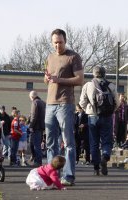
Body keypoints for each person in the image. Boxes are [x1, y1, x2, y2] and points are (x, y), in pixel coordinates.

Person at [44, 29, 83, 186]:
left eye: (60, 42)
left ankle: (68, 176)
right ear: (52, 42)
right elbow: (47, 79)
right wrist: (47, 78)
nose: (57, 45)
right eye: (55, 42)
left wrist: (58, 79)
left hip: (65, 103)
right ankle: (51, 175)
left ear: (65, 41)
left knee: (68, 142)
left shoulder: (73, 57)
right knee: (50, 143)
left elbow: (80, 79)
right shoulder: (50, 57)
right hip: (49, 103)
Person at [79, 66, 119, 176]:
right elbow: (117, 102)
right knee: (107, 140)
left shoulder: (88, 85)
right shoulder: (111, 85)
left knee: (94, 142)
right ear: (104, 74)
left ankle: (96, 167)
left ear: (94, 74)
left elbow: (82, 102)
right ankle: (105, 157)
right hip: (107, 117)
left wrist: (89, 110)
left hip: (93, 116)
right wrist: (111, 111)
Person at [29, 90, 46, 166]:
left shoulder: (35, 103)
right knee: (36, 144)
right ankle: (37, 159)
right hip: (41, 126)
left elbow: (34, 115)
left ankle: (37, 161)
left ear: (32, 96)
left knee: (35, 145)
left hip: (36, 127)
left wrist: (31, 126)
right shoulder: (43, 102)